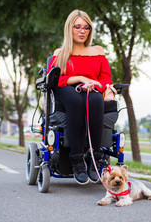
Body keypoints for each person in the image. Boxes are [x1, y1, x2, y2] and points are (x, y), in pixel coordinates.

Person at [47, 9, 112, 184]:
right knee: (76, 100)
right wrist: (80, 78)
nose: (82, 31)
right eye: (77, 27)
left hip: (91, 88)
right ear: (69, 28)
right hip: (66, 87)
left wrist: (96, 84)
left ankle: (94, 158)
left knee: (96, 99)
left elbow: (106, 77)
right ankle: (76, 160)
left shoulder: (97, 51)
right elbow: (55, 79)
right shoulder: (60, 53)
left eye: (86, 27)